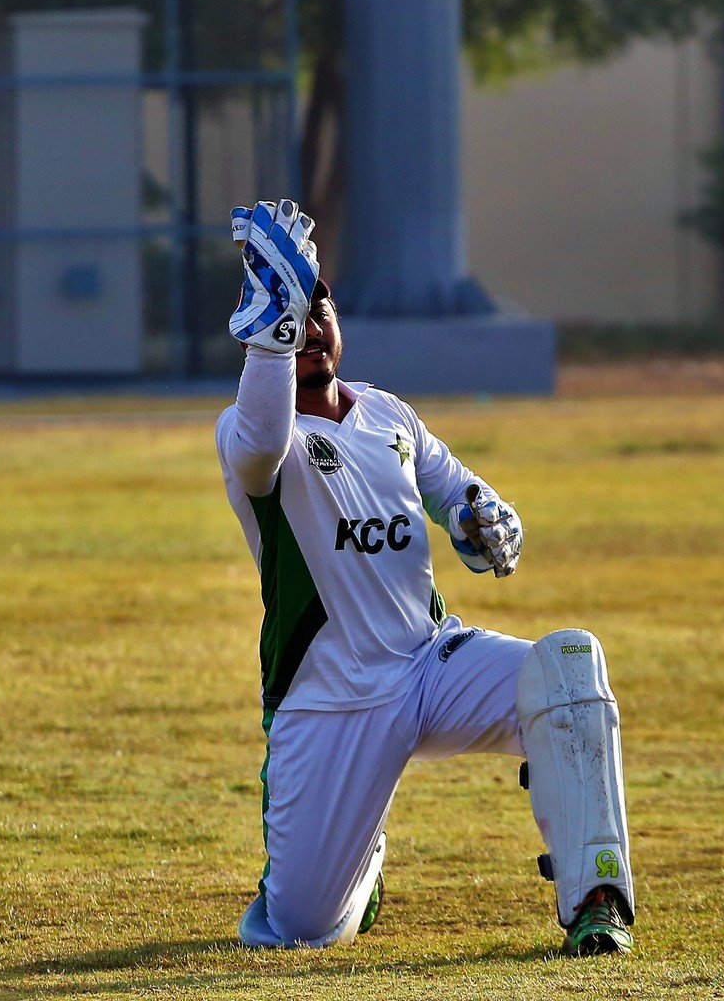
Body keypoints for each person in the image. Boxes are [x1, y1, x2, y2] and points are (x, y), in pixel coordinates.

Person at [216, 199, 635, 954]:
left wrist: (486, 524)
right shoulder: (253, 435)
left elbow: (467, 500)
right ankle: (359, 862)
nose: (310, 327)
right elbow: (262, 437)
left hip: (428, 665)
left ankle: (597, 897)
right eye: (293, 316)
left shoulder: (389, 416)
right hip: (330, 698)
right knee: (301, 929)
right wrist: (271, 331)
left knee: (570, 664)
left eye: (320, 309)